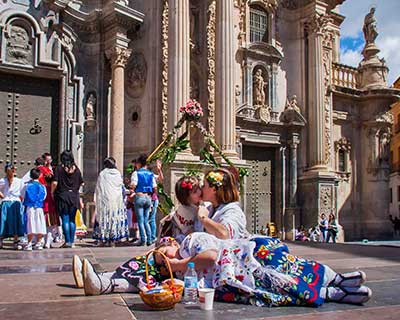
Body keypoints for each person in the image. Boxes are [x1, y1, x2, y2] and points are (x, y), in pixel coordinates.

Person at [72, 233, 372, 306]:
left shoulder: (189, 242)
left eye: (162, 251)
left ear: (171, 243)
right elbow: (146, 278)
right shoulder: (170, 272)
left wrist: (179, 263)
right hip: (241, 277)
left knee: (291, 271)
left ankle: (336, 282)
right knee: (286, 288)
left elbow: (214, 256)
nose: (161, 256)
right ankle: (104, 282)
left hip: (248, 259)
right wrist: (172, 268)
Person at [197, 168, 249, 239]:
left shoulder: (233, 211)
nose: (201, 189)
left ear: (214, 189)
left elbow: (224, 234)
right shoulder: (209, 209)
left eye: (204, 186)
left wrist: (204, 218)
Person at [92, 157, 129, 247]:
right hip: (116, 201)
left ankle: (103, 239)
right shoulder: (117, 174)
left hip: (105, 201)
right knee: (114, 219)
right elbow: (121, 187)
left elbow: (99, 187)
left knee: (104, 219)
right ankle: (113, 240)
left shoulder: (102, 174)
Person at [52, 150, 84, 248]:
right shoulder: (77, 169)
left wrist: (52, 192)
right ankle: (72, 241)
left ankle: (67, 241)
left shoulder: (59, 169)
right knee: (72, 220)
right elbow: (82, 183)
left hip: (63, 196)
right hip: (74, 196)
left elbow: (55, 183)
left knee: (65, 218)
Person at [159, 175, 204, 243]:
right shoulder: (185, 211)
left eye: (199, 188)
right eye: (195, 192)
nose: (199, 192)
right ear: (186, 198)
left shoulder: (200, 204)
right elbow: (188, 232)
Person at [130, 154, 157, 246]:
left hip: (139, 196)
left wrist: (131, 188)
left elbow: (133, 184)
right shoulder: (150, 174)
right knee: (146, 220)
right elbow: (154, 187)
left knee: (140, 220)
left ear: (140, 163)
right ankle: (149, 239)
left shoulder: (136, 173)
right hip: (148, 197)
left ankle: (143, 239)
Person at [0, 164, 25, 250]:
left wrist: (3, 196)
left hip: (6, 202)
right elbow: (23, 193)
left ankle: (1, 241)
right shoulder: (19, 181)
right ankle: (16, 241)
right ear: (14, 171)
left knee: (4, 222)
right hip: (16, 203)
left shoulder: (2, 180)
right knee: (16, 222)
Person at [22, 168, 47, 251]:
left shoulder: (26, 186)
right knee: (39, 223)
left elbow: (22, 195)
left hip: (30, 207)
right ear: (40, 175)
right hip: (39, 207)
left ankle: (29, 243)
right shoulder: (42, 186)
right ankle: (39, 243)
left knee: (30, 224)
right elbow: (44, 197)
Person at [148, 160, 164, 245]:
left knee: (151, 219)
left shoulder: (152, 176)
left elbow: (161, 179)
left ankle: (152, 237)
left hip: (153, 199)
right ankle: (148, 236)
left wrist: (159, 170)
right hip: (149, 199)